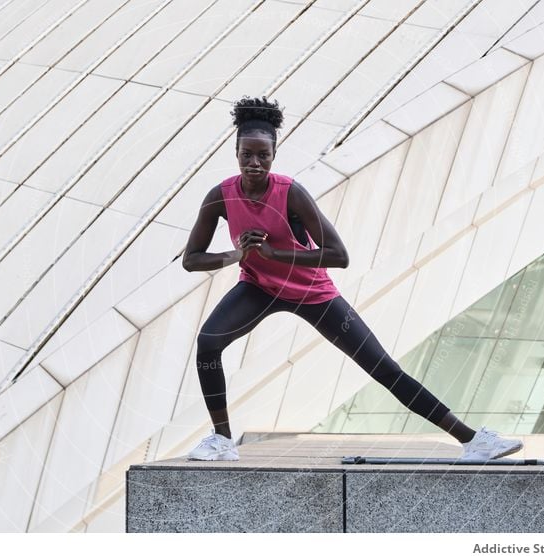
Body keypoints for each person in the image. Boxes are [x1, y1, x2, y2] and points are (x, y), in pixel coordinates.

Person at [181, 96, 522, 463]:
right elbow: (191, 260)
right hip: (259, 288)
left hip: (313, 293)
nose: (254, 163)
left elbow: (339, 255)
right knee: (208, 343)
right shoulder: (221, 196)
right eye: (247, 154)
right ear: (236, 153)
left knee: (383, 368)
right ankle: (222, 440)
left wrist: (275, 254)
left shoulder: (290, 193)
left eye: (262, 155)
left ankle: (474, 440)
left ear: (274, 155)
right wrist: (237, 256)